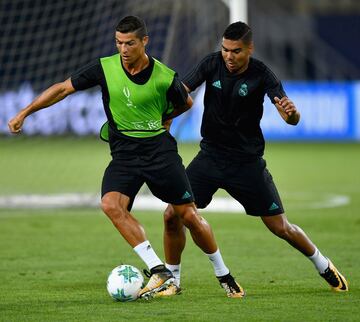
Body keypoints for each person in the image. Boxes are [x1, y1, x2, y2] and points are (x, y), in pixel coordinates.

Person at [8, 16, 244, 299]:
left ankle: (224, 275)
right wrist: (25, 112)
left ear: (144, 41)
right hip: (124, 156)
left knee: (188, 216)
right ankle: (158, 269)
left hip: (160, 153)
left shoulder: (164, 76)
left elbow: (187, 102)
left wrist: (163, 120)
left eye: (129, 43)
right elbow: (62, 88)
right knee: (110, 204)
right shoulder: (104, 68)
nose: (123, 48)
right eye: (119, 43)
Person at [162, 21, 348, 294]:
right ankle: (172, 280)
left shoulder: (263, 74)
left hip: (246, 163)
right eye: (225, 49)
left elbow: (290, 118)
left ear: (250, 49)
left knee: (280, 227)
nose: (228, 56)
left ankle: (322, 264)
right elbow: (182, 90)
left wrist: (292, 114)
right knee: (171, 215)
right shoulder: (211, 64)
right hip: (210, 157)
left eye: (235, 51)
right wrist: (164, 109)